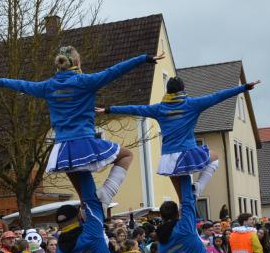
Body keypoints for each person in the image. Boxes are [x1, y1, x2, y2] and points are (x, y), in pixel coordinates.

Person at [0, 46, 162, 199]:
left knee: (86, 200)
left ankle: (93, 211)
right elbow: (115, 71)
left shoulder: (48, 86)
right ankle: (107, 192)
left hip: (63, 150)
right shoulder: (85, 81)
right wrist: (144, 58)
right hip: (84, 142)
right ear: (77, 63)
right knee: (126, 156)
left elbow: (23, 85)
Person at [102, 76, 260, 196]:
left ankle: (188, 209)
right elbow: (218, 96)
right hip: (187, 154)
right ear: (183, 89)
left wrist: (109, 109)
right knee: (214, 158)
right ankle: (198, 188)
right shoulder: (192, 104)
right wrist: (244, 87)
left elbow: (135, 109)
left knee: (183, 199)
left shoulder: (159, 108)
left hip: (168, 159)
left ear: (167, 91)